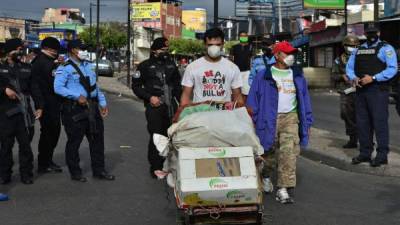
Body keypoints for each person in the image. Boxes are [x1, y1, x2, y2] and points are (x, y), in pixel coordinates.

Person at [247, 41, 313, 204]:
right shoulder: (263, 75)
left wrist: (308, 122)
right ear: (277, 55)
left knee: (288, 153)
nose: (291, 57)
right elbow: (252, 101)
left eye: (293, 53)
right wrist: (252, 122)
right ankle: (265, 175)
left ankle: (283, 188)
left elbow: (305, 99)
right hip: (268, 118)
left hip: (290, 117)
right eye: (287, 53)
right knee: (268, 152)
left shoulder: (297, 75)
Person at [54, 39, 115, 182]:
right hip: (75, 109)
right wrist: (76, 96)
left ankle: (99, 171)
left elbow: (95, 86)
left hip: (92, 108)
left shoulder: (89, 65)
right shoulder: (64, 67)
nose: (85, 51)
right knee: (74, 142)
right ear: (73, 50)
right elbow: (58, 88)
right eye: (81, 48)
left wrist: (102, 102)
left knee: (97, 141)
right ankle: (75, 173)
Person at [346, 22, 398, 167]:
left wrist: (374, 78)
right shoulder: (358, 50)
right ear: (365, 33)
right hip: (361, 91)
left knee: (379, 123)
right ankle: (365, 153)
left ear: (379, 33)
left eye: (374, 32)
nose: (371, 35)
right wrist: (353, 78)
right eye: (369, 33)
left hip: (377, 90)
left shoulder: (386, 49)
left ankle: (382, 155)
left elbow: (392, 68)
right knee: (363, 124)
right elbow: (349, 68)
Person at [132, 37, 181, 178]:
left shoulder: (171, 65)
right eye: (162, 50)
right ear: (154, 50)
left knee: (171, 135)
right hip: (155, 107)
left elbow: (177, 86)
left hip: (170, 105)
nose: (165, 53)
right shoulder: (144, 66)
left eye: (167, 50)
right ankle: (155, 166)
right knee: (156, 136)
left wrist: (182, 105)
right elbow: (136, 87)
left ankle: (170, 165)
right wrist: (149, 97)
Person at [0, 38, 43, 185]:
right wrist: (4, 90)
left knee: (25, 145)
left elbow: (35, 88)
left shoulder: (26, 68)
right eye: (17, 49)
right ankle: (5, 174)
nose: (20, 52)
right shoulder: (1, 68)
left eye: (21, 49)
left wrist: (39, 106)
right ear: (8, 51)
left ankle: (26, 174)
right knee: (6, 146)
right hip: (6, 112)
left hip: (25, 113)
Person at [181, 28, 244, 106]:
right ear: (204, 45)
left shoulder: (232, 68)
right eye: (210, 45)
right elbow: (186, 95)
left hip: (224, 115)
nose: (214, 48)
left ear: (223, 44)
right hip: (200, 115)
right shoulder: (192, 67)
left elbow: (237, 96)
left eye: (218, 45)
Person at [31, 37, 63, 173]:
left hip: (51, 103)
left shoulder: (46, 61)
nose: (56, 52)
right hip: (47, 104)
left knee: (53, 132)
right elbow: (39, 85)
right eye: (54, 49)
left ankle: (47, 160)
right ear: (49, 49)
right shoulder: (43, 62)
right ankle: (44, 163)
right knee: (49, 133)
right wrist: (40, 105)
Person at [332, 35, 360, 148]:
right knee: (345, 113)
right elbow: (333, 75)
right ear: (344, 46)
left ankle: (365, 139)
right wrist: (341, 76)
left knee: (361, 115)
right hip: (346, 90)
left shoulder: (361, 58)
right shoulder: (339, 60)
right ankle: (352, 138)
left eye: (354, 46)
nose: (351, 47)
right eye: (349, 45)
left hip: (359, 90)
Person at [230, 31, 253, 96]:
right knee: (235, 91)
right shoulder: (234, 47)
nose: (243, 37)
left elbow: (252, 58)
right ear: (239, 37)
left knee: (246, 92)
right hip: (236, 71)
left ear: (247, 37)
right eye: (242, 36)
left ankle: (244, 105)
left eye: (245, 36)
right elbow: (231, 59)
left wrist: (251, 69)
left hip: (247, 72)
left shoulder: (251, 47)